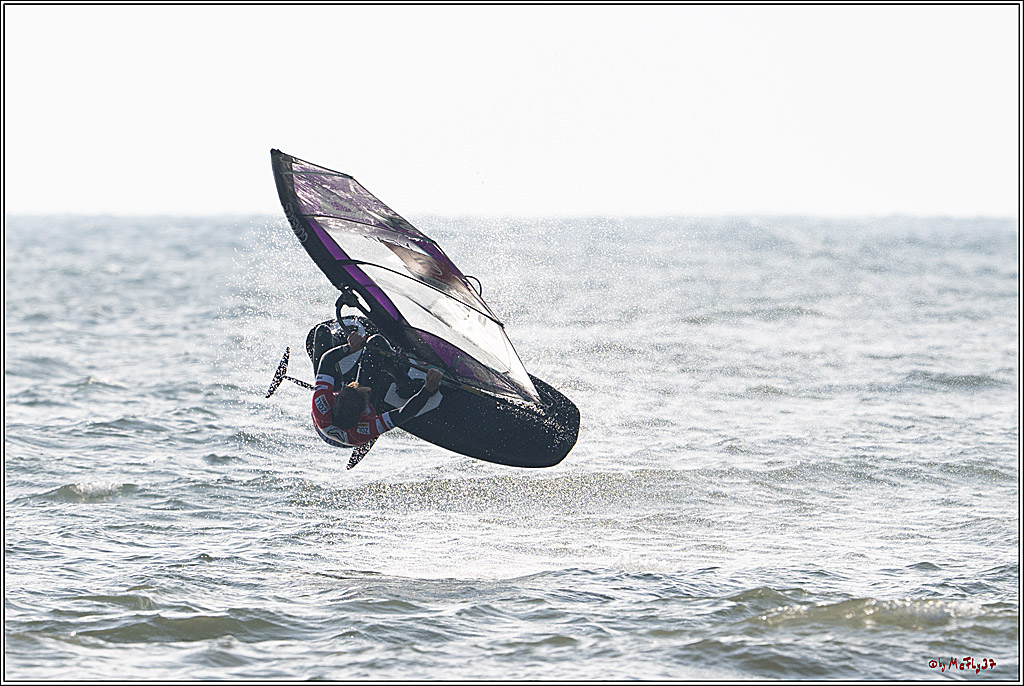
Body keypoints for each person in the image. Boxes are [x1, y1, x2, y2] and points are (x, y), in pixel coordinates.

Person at [309, 324, 442, 453]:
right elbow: (405, 414)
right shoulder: (365, 428)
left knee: (321, 332)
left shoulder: (321, 404)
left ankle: (337, 345)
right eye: (357, 389)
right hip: (351, 436)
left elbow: (326, 360)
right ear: (363, 410)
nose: (352, 385)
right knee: (376, 343)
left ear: (336, 398)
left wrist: (348, 348)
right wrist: (427, 390)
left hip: (328, 418)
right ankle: (405, 386)